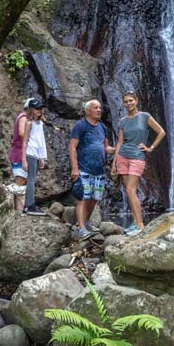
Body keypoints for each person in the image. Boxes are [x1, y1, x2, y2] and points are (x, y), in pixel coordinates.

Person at [111, 92, 166, 236]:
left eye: (131, 100)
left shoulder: (145, 116)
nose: (128, 103)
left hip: (137, 156)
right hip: (123, 156)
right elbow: (120, 142)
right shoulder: (122, 121)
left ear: (136, 101)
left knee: (130, 189)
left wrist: (150, 148)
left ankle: (140, 225)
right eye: (126, 101)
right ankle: (135, 222)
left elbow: (161, 132)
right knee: (130, 192)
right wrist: (114, 163)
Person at [69, 99, 115, 240]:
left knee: (94, 199)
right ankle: (81, 228)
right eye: (96, 108)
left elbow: (106, 148)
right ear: (88, 110)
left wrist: (120, 149)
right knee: (83, 198)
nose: (99, 110)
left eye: (100, 108)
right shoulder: (80, 125)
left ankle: (86, 223)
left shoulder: (102, 127)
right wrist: (75, 168)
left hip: (99, 170)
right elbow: (72, 147)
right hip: (84, 168)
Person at [21, 98, 48, 216]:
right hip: (30, 154)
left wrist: (42, 157)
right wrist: (23, 160)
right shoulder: (29, 123)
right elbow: (25, 141)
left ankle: (30, 204)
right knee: (31, 179)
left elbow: (40, 141)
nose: (39, 111)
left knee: (33, 179)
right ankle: (28, 205)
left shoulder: (40, 123)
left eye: (41, 108)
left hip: (37, 155)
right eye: (37, 109)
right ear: (31, 109)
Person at [7, 98, 33, 209]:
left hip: (21, 153)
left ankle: (22, 208)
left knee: (23, 182)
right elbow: (22, 134)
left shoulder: (23, 117)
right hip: (18, 153)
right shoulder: (23, 118)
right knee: (20, 181)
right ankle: (19, 211)